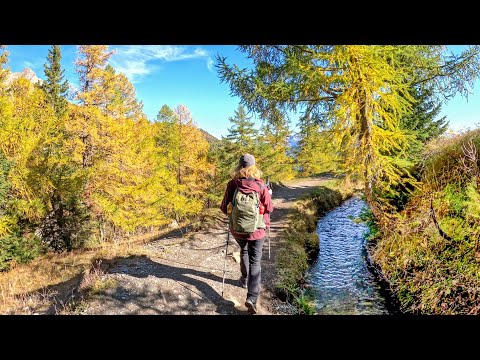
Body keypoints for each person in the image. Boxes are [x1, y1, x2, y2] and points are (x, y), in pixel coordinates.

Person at [220, 154, 273, 314]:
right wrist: (268, 196)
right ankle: (251, 298)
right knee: (255, 261)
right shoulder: (261, 185)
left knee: (243, 250)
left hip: (237, 229)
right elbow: (269, 209)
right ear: (254, 167)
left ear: (239, 167)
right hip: (257, 231)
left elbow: (223, 208)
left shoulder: (232, 184)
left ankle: (244, 279)